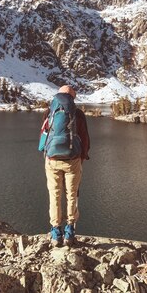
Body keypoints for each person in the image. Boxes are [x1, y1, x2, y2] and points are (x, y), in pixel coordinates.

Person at [39, 85, 90, 247]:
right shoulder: (78, 113)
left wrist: (46, 155)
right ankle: (69, 232)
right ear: (73, 97)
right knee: (71, 194)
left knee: (54, 195)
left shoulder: (50, 111)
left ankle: (55, 232)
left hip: (52, 160)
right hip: (73, 160)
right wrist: (82, 157)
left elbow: (44, 136)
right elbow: (85, 139)